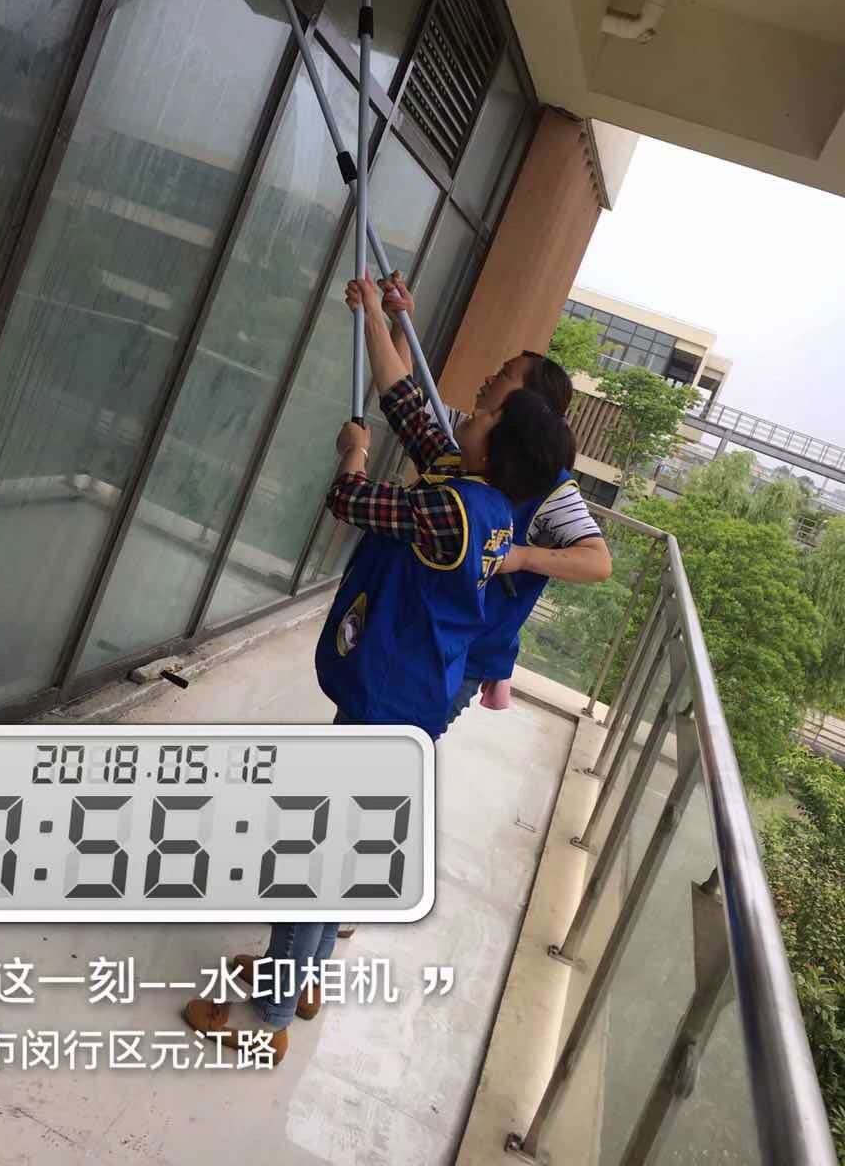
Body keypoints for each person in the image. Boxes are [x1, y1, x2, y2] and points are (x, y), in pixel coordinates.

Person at [182, 273, 570, 1062]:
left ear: (497, 447)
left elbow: (354, 501)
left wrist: (353, 455)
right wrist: (375, 319)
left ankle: (269, 1018)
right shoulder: (482, 498)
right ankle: (300, 978)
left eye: (487, 414)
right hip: (407, 701)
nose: (472, 413)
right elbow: (408, 406)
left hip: (386, 704)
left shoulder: (450, 509)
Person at [380, 271, 611, 725]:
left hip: (462, 653)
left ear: (530, 405)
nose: (489, 378)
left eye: (504, 375)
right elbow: (403, 396)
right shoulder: (469, 434)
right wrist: (398, 322)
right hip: (414, 626)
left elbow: (598, 562)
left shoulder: (551, 486)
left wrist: (520, 557)